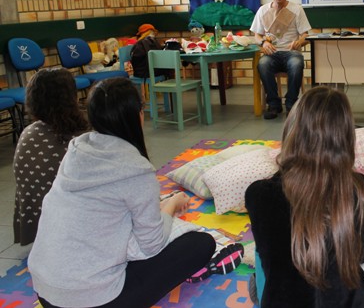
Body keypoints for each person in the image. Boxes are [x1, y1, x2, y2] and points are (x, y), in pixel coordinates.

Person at [28, 78, 243, 308]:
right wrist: (170, 205)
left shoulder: (76, 150)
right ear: (137, 115)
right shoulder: (136, 169)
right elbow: (151, 244)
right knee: (201, 244)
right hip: (93, 301)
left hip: (45, 290)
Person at [245, 86, 364, 307]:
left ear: (292, 130)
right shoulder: (360, 189)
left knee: (260, 278)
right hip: (347, 300)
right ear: (346, 138)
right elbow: (363, 252)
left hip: (283, 300)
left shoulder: (258, 195)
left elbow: (268, 254)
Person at [13, 68, 89, 246]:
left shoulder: (27, 133)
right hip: (69, 227)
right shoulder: (78, 138)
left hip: (36, 224)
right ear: (71, 97)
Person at [250, 0, 311, 119]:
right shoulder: (262, 10)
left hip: (291, 52)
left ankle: (291, 104)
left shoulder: (296, 9)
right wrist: (263, 42)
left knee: (297, 63)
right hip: (272, 53)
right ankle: (274, 104)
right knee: (263, 64)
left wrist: (299, 42)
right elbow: (256, 35)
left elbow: (306, 35)